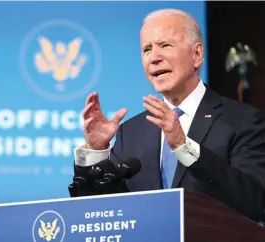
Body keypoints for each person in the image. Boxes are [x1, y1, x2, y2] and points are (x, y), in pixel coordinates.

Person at [72, 8, 265, 222]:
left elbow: (255, 202)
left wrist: (184, 146)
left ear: (197, 54)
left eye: (165, 45)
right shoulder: (131, 132)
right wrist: (95, 152)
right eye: (147, 49)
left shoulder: (242, 121)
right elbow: (99, 214)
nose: (154, 57)